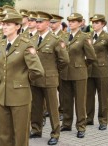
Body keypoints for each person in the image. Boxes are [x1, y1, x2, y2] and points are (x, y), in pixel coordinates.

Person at [0, 11, 44, 146]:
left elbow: (37, 70)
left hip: (20, 96)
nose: (4, 27)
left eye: (8, 24)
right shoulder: (2, 44)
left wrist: (22, 80)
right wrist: (2, 81)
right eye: (3, 24)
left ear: (17, 26)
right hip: (3, 94)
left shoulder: (25, 45)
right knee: (4, 134)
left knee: (20, 134)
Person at [29, 11, 69, 146]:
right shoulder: (33, 38)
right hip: (35, 79)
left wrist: (54, 71)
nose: (38, 24)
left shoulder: (55, 39)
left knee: (52, 108)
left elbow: (64, 60)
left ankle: (55, 133)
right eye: (37, 22)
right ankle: (36, 129)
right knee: (36, 107)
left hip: (49, 79)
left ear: (47, 23)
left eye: (40, 22)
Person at [60, 13, 96, 138]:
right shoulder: (64, 36)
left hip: (79, 73)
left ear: (80, 23)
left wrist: (82, 64)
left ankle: (81, 126)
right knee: (67, 100)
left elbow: (92, 56)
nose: (71, 23)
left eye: (74, 21)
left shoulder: (84, 37)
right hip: (65, 73)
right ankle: (66, 123)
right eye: (69, 21)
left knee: (80, 101)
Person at [86, 14, 108, 131]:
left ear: (102, 24)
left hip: (101, 71)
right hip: (89, 70)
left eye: (96, 23)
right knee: (89, 96)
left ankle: (103, 120)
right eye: (93, 22)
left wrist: (106, 62)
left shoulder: (107, 36)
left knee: (102, 97)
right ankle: (89, 118)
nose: (94, 24)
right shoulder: (88, 35)